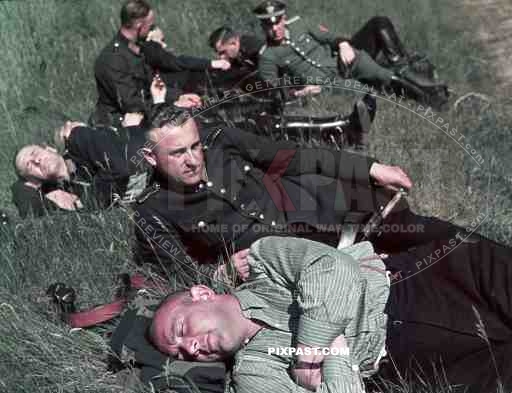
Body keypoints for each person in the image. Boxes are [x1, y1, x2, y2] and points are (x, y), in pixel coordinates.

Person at [149, 236, 512, 393]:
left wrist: (312, 354)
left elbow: (333, 269)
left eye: (182, 329)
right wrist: (342, 357)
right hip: (411, 360)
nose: (191, 346)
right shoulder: (255, 375)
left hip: (427, 282)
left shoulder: (264, 263)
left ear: (202, 294)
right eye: (182, 351)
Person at [132, 103, 413, 283]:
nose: (193, 159)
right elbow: (180, 273)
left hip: (322, 209)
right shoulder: (153, 210)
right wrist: (222, 274)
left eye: (194, 146)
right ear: (151, 157)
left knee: (419, 229)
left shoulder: (221, 142)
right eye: (178, 153)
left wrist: (369, 168)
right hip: (295, 263)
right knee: (401, 278)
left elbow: (294, 157)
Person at [252, 1, 448, 109]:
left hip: (341, 64)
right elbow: (274, 92)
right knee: (367, 94)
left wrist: (344, 44)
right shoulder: (267, 56)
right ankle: (420, 96)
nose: (274, 29)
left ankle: (431, 101)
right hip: (325, 86)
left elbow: (330, 37)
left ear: (284, 19)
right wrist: (300, 92)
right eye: (269, 25)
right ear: (262, 26)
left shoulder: (299, 24)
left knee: (385, 76)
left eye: (277, 22)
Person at [92, 0, 216, 127]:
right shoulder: (112, 59)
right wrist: (173, 104)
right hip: (120, 123)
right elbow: (131, 103)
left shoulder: (137, 49)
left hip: (148, 112)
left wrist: (179, 96)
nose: (151, 29)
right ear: (139, 25)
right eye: (150, 26)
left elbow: (153, 85)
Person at [12, 120, 148, 218]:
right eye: (30, 166)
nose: (36, 161)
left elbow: (119, 168)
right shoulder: (65, 190)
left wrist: (85, 203)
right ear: (34, 181)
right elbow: (26, 203)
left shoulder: (77, 139)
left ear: (50, 148)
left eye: (34, 153)